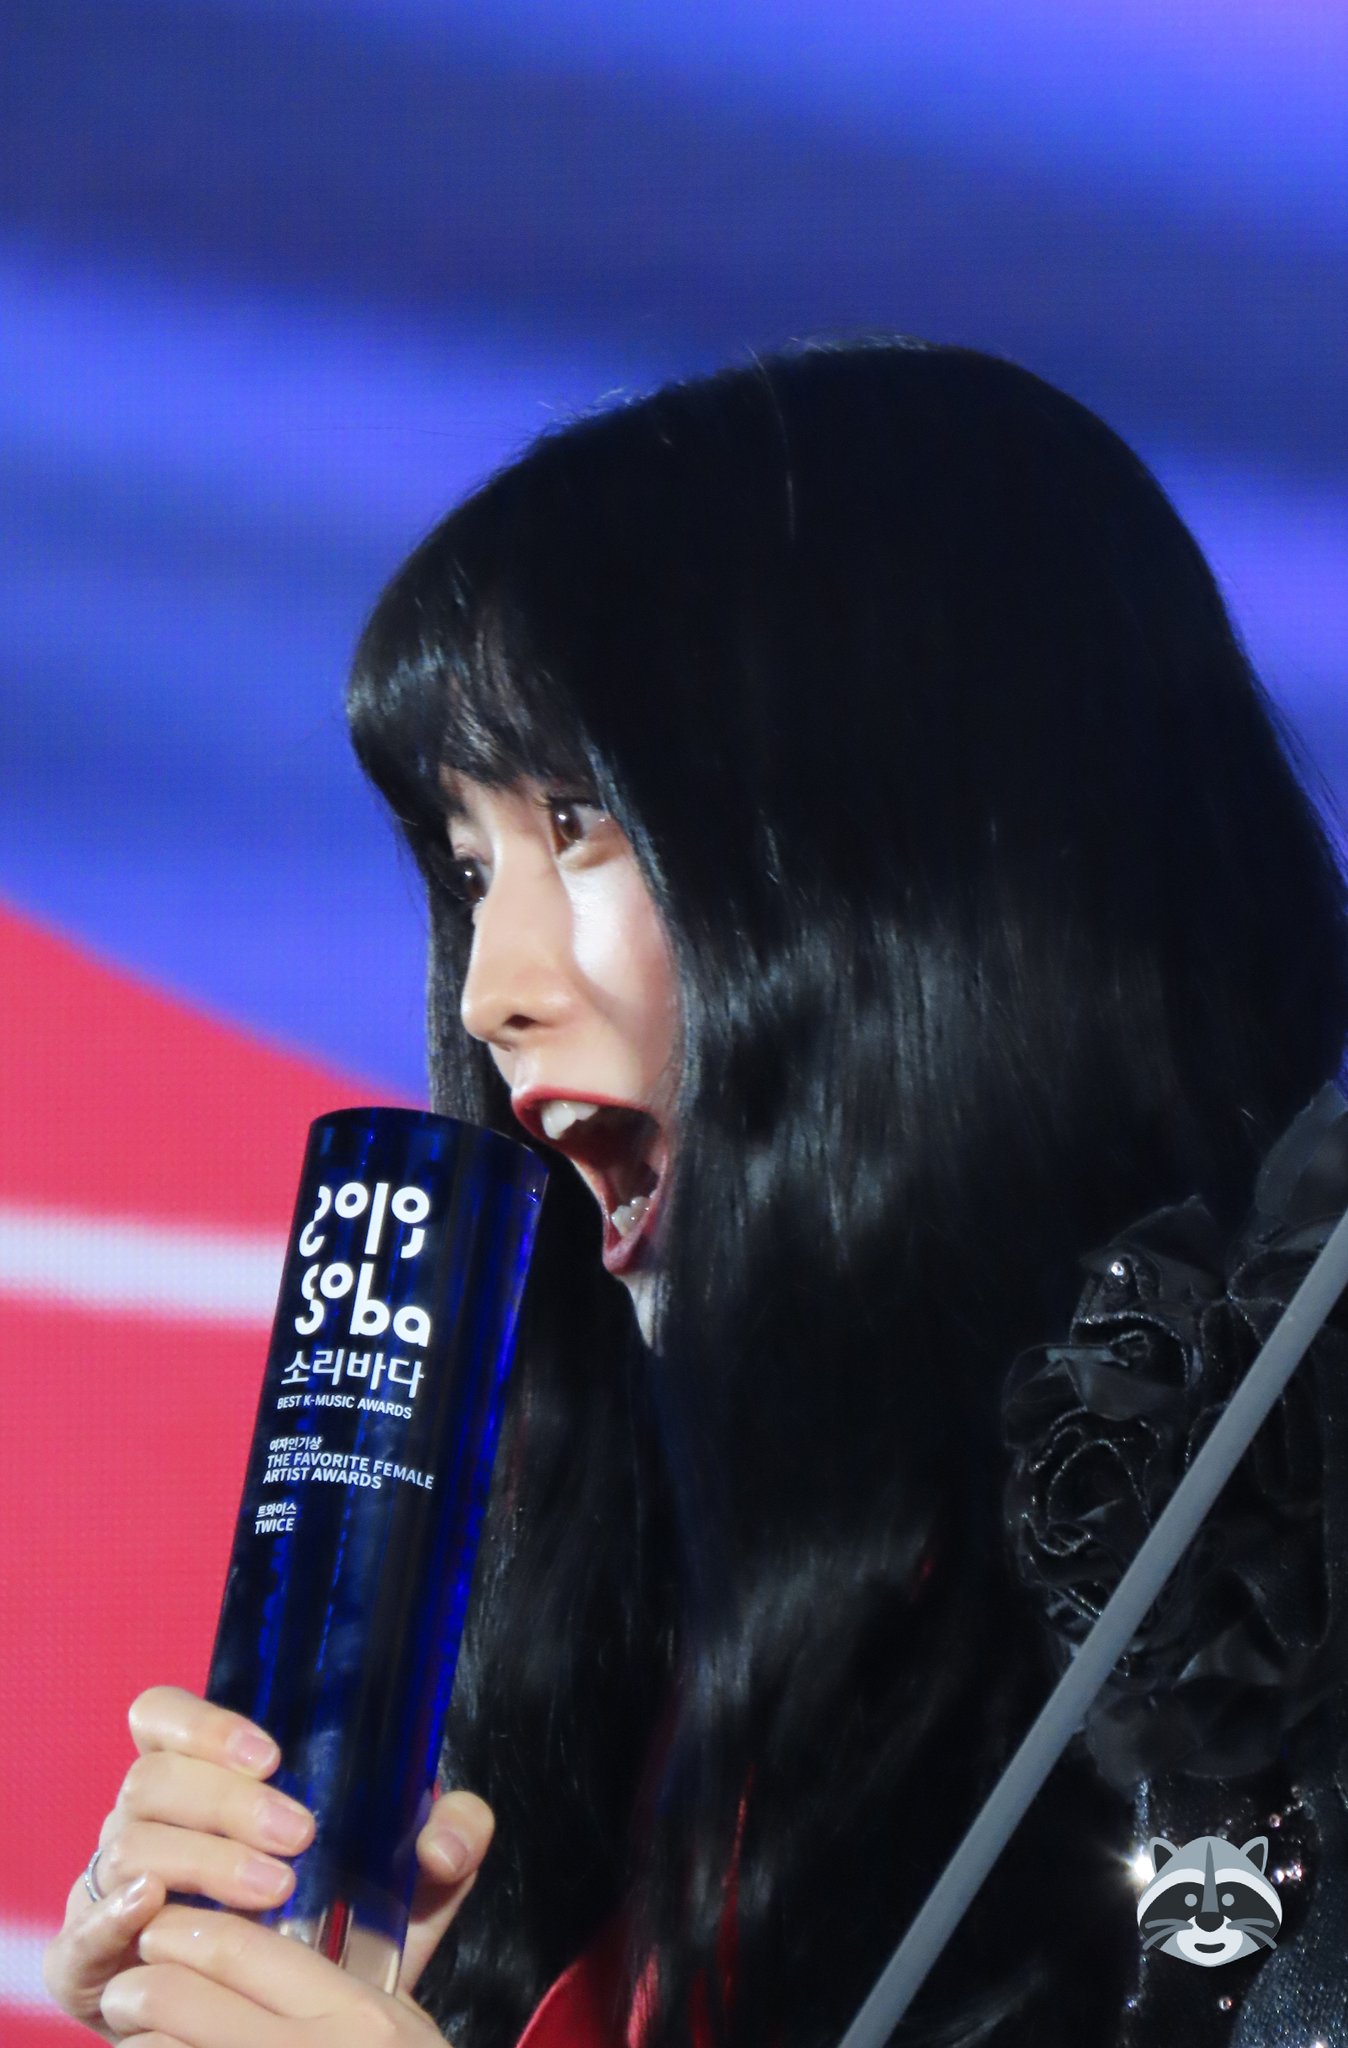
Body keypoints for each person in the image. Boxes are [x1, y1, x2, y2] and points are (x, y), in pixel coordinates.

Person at [45, 338, 1348, 2048]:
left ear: (921, 854)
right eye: (468, 867)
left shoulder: (1274, 1599)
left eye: (582, 822)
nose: (486, 994)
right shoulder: (636, 1658)